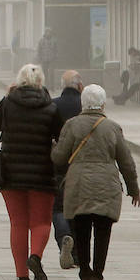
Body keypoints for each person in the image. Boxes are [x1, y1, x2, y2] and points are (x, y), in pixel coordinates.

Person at [51, 85, 140, 280]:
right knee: (103, 232)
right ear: (102, 104)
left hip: (78, 185)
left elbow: (59, 158)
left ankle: (84, 274)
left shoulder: (71, 125)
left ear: (83, 103)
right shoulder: (112, 128)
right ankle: (97, 278)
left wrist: (54, 147)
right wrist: (133, 189)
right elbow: (126, 162)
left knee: (81, 231)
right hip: (106, 186)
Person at [0, 64, 64, 280]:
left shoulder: (9, 103)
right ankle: (36, 256)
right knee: (41, 221)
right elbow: (61, 136)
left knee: (18, 223)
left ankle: (22, 278)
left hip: (11, 172)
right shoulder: (50, 107)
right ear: (41, 82)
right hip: (42, 172)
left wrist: (5, 96)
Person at [49, 70, 84, 268]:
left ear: (63, 85)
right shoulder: (86, 106)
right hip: (82, 163)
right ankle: (79, 254)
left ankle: (64, 237)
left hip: (59, 163)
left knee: (58, 207)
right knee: (79, 209)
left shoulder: (53, 105)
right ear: (80, 86)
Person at [37, 27, 59, 93]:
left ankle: (52, 87)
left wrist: (56, 57)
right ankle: (46, 87)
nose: (48, 33)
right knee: (45, 73)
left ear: (51, 33)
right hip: (44, 59)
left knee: (52, 73)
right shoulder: (41, 40)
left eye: (49, 32)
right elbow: (39, 50)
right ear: (45, 33)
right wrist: (39, 57)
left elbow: (56, 50)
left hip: (52, 59)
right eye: (47, 32)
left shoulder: (54, 40)